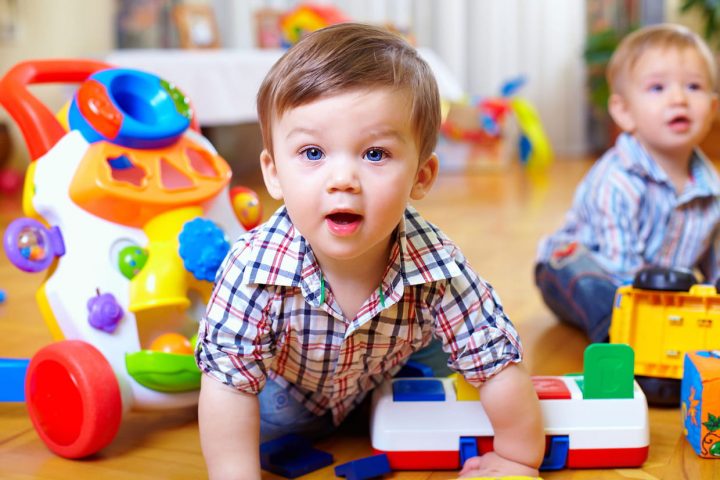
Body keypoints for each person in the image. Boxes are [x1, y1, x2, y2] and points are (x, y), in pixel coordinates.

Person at [196, 22, 544, 479]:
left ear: (421, 176)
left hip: (391, 375)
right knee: (251, 412)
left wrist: (517, 457)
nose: (342, 179)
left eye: (375, 154)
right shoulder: (253, 266)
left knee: (447, 372)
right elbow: (228, 383)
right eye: (313, 153)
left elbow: (496, 362)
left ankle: (394, 402)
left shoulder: (439, 264)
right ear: (274, 172)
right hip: (287, 399)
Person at [535, 23, 720, 343]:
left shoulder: (711, 188)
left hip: (662, 291)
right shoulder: (616, 180)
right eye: (658, 88)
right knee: (595, 285)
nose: (678, 99)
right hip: (582, 271)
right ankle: (619, 338)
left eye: (693, 87)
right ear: (624, 111)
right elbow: (619, 269)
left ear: (713, 108)